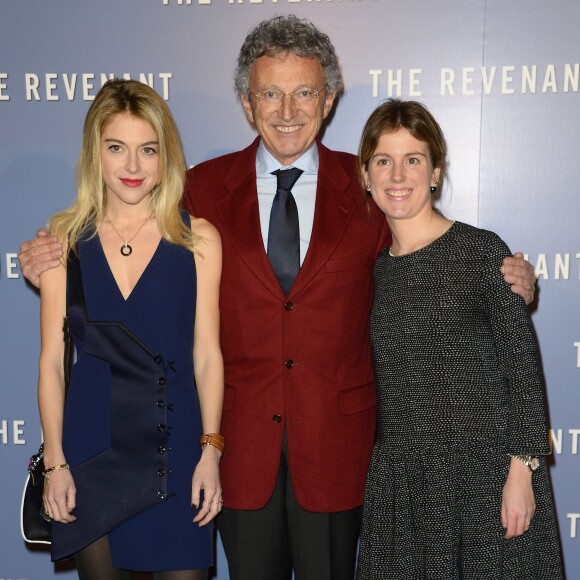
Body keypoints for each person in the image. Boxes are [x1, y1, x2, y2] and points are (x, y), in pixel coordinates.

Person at [19, 16, 536, 580]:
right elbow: (121, 219)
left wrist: (504, 279)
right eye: (270, 93)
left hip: (338, 451)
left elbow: (428, 248)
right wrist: (43, 255)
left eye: (303, 92)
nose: (287, 110)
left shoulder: (369, 186)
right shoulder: (199, 188)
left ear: (330, 98)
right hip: (237, 453)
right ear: (246, 102)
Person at [355, 99, 562, 579]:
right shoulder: (374, 268)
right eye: (383, 161)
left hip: (484, 479)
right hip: (401, 488)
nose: (397, 175)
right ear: (366, 175)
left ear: (435, 172)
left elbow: (522, 368)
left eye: (414, 160)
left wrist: (521, 472)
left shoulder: (480, 251)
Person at [37, 79, 224, 580]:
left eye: (148, 150)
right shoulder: (64, 241)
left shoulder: (198, 238)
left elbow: (207, 355)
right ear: (95, 153)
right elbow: (53, 364)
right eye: (117, 148)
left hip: (176, 449)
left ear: (167, 156)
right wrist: (55, 461)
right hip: (92, 454)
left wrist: (211, 452)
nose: (133, 166)